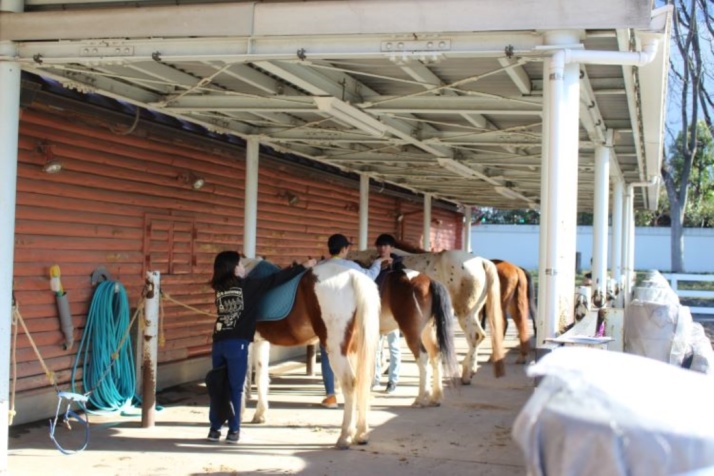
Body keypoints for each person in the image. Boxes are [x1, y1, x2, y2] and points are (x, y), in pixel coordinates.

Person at [207, 250, 316, 443]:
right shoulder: (249, 286)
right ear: (234, 269)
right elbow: (276, 279)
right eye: (240, 264)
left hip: (218, 343)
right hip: (237, 345)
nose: (243, 267)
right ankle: (234, 431)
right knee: (236, 388)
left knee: (219, 387)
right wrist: (302, 267)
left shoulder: (220, 288)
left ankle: (214, 429)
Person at [319, 233, 391, 408]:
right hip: (349, 319)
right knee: (354, 354)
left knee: (327, 354)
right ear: (344, 249)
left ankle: (330, 396)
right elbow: (369, 276)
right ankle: (357, 394)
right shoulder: (350, 266)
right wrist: (377, 263)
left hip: (326, 319)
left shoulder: (320, 267)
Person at [372, 233, 405, 394]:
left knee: (394, 347)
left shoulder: (399, 264)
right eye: (380, 245)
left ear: (391, 248)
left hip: (392, 313)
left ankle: (393, 380)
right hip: (375, 311)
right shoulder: (374, 263)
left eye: (386, 246)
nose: (382, 248)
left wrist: (390, 267)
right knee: (375, 348)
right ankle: (375, 379)